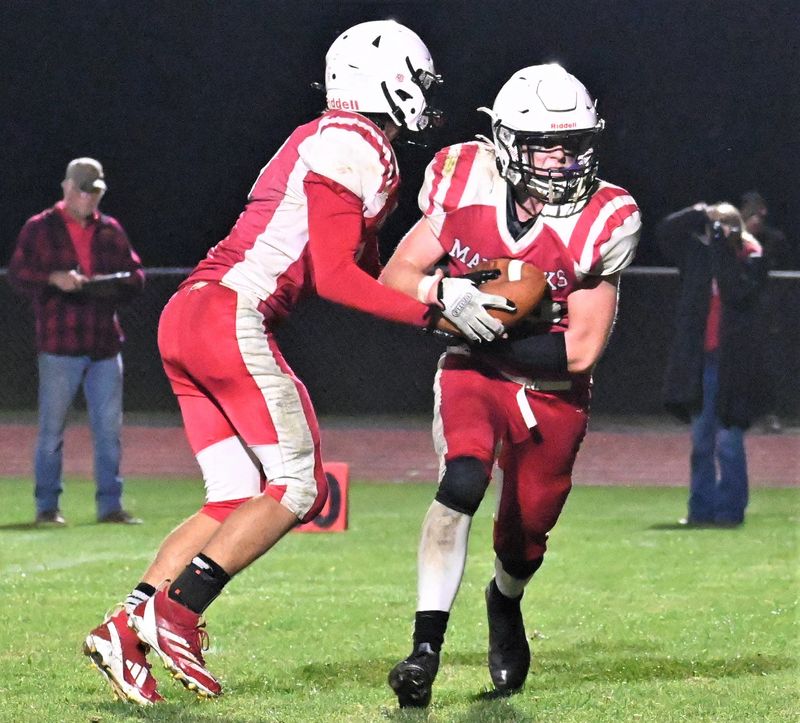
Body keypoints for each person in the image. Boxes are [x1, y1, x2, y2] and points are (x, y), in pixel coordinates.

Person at [82, 20, 513, 706]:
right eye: (419, 80)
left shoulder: (333, 141)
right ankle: (177, 610)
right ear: (387, 79)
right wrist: (437, 307)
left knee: (231, 497)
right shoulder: (355, 143)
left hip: (192, 311)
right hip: (231, 312)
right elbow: (338, 279)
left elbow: (370, 273)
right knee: (298, 483)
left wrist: (443, 284)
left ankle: (125, 630)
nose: (427, 95)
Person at [379, 64, 641, 707]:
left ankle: (505, 602)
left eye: (574, 143)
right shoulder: (462, 179)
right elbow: (396, 275)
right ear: (503, 141)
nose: (561, 159)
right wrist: (445, 295)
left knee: (523, 540)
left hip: (551, 389)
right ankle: (424, 649)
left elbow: (579, 352)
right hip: (476, 374)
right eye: (545, 144)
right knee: (462, 478)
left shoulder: (605, 217)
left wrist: (482, 324)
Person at [8, 157, 145, 527]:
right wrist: (53, 278)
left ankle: (110, 507)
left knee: (109, 432)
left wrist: (111, 281)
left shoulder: (110, 230)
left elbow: (137, 276)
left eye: (95, 193)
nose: (89, 200)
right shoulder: (40, 228)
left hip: (104, 344)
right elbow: (18, 274)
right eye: (84, 192)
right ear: (67, 188)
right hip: (60, 343)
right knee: (51, 431)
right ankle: (47, 508)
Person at [657, 201, 767, 527]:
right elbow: (665, 232)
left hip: (735, 365)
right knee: (701, 442)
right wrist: (696, 212)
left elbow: (736, 292)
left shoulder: (750, 257)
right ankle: (700, 511)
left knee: (729, 442)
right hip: (701, 361)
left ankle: (730, 512)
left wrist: (724, 247)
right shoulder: (698, 256)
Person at [739, 191, 791, 433]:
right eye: (750, 212)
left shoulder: (772, 239)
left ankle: (771, 414)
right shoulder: (733, 240)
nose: (756, 217)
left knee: (768, 365)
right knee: (738, 366)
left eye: (758, 212)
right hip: (737, 312)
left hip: (764, 313)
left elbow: (771, 261)